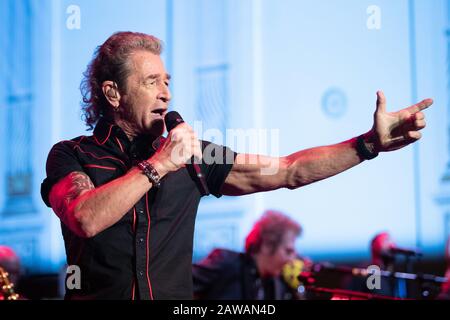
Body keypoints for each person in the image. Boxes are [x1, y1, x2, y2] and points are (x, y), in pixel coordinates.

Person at [40, 31, 432, 300]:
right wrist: (158, 165)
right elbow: (84, 218)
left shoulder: (193, 157)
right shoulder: (72, 154)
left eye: (167, 81)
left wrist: (367, 144)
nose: (167, 93)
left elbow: (288, 169)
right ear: (113, 92)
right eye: (151, 82)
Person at [192, 210, 309, 300]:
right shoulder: (226, 262)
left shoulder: (276, 284)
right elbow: (180, 284)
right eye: (288, 251)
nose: (292, 259)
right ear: (267, 245)